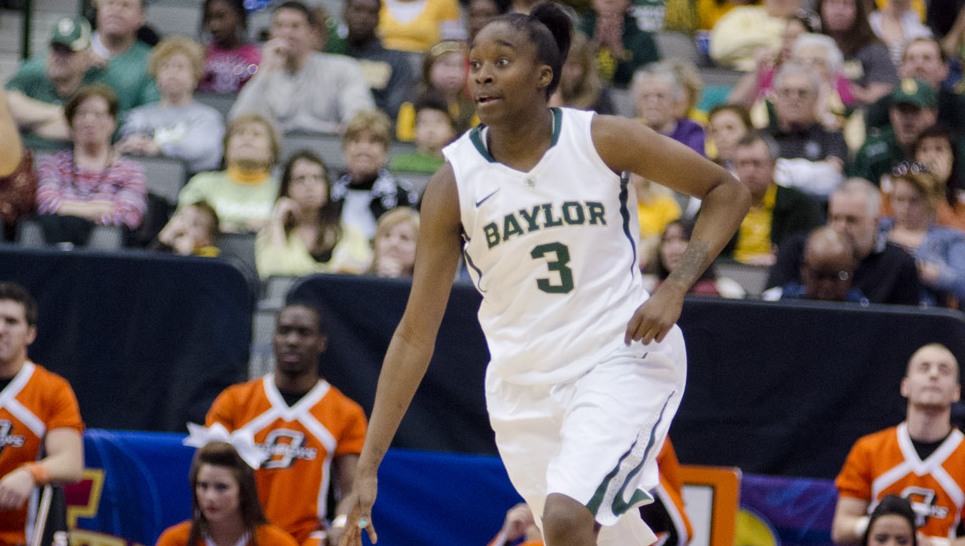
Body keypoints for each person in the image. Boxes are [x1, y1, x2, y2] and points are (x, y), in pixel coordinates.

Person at [337, 4, 750, 546]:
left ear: (544, 76)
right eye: (475, 62)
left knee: (564, 519)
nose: (482, 74)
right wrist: (368, 465)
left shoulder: (602, 138)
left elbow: (728, 191)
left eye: (501, 61)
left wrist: (674, 287)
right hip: (521, 391)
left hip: (618, 356)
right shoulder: (453, 184)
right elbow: (415, 333)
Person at [207, 303, 368, 546]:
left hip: (307, 539)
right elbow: (208, 476)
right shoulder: (234, 401)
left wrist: (341, 524)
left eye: (304, 333)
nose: (292, 340)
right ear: (273, 338)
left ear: (321, 342)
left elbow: (351, 490)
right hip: (242, 536)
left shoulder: (346, 412)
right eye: (284, 331)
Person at [832, 343, 965, 545]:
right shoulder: (868, 449)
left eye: (944, 370)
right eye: (924, 368)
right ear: (905, 386)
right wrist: (888, 531)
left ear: (956, 392)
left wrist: (932, 544)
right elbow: (841, 528)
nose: (934, 375)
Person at [0, 282, 84, 546]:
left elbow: (71, 463)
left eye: (11, 321)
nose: (1, 329)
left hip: (23, 537)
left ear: (30, 334)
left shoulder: (51, 390)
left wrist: (30, 473)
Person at [766, 178, 922, 304]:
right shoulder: (798, 249)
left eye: (851, 220)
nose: (841, 227)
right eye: (835, 218)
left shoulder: (900, 264)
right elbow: (771, 307)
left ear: (875, 222)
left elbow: (908, 326)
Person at [229, 1, 375, 134]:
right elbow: (237, 123)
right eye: (279, 26)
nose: (287, 33)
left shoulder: (344, 69)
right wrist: (264, 71)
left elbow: (360, 122)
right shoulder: (266, 75)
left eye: (295, 26)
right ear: (271, 33)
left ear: (311, 32)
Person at [35, 84, 147, 246]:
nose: (89, 121)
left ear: (112, 121)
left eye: (98, 114)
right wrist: (100, 208)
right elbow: (46, 205)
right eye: (82, 114)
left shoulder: (131, 171)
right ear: (71, 122)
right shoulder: (52, 165)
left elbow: (129, 216)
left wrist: (66, 208)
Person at [116, 36, 225, 174]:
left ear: (196, 76)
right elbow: (127, 144)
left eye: (180, 67)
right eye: (165, 66)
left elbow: (202, 149)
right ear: (156, 76)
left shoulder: (208, 117)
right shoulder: (139, 115)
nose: (172, 72)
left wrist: (160, 148)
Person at [155, 441, 298, 546]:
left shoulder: (277, 543)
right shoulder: (175, 541)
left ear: (243, 491)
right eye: (203, 486)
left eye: (221, 487)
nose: (210, 496)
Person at [256, 150, 372, 279]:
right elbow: (273, 278)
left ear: (327, 186)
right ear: (287, 188)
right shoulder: (270, 235)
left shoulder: (352, 234)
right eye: (300, 179)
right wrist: (277, 222)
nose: (309, 185)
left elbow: (360, 280)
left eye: (317, 178)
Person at [725, 131, 824, 265]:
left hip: (776, 275)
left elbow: (814, 250)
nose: (750, 171)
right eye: (743, 164)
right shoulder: (722, 204)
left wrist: (781, 259)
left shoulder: (800, 205)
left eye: (757, 163)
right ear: (735, 167)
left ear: (773, 166)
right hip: (728, 274)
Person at [177, 114, 280, 234]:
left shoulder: (283, 190)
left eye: (256, 134)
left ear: (272, 152)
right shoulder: (202, 184)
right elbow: (184, 226)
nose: (247, 138)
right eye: (239, 133)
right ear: (226, 148)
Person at [4, 16, 96, 147]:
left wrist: (27, 123)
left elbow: (82, 131)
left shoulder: (94, 85)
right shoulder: (33, 72)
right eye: (55, 49)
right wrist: (64, 114)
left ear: (86, 57)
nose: (59, 57)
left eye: (68, 51)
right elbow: (8, 105)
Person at [881, 168, 965, 307]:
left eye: (914, 201)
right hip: (877, 310)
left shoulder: (951, 239)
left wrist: (939, 276)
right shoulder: (877, 230)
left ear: (931, 202)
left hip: (926, 316)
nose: (906, 207)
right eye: (899, 199)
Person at [764, 61, 848, 198]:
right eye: (786, 92)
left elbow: (831, 178)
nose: (794, 98)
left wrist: (778, 171)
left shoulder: (831, 137)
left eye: (802, 93)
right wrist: (813, 172)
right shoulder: (761, 137)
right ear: (776, 97)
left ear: (815, 99)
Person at [331, 109, 419, 240]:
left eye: (373, 142)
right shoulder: (331, 194)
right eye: (355, 141)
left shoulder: (402, 195)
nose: (363, 148)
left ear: (385, 150)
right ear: (345, 148)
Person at [325, 0, 416, 121]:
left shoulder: (396, 60)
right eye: (358, 10)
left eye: (371, 12)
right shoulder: (331, 54)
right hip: (329, 129)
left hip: (376, 130)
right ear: (345, 13)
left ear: (379, 18)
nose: (363, 18)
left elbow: (396, 109)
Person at [864, 37, 965, 136]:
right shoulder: (883, 106)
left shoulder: (959, 106)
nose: (918, 65)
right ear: (900, 70)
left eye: (927, 58)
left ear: (944, 69)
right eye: (911, 59)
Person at [849, 78, 938, 186]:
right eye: (902, 110)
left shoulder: (946, 149)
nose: (908, 119)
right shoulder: (872, 151)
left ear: (932, 114)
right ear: (891, 113)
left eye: (915, 110)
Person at [816, 0, 897, 105]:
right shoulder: (809, 45)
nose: (839, 11)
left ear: (858, 11)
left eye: (846, 4)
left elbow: (885, 95)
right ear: (820, 8)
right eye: (833, 3)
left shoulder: (875, 49)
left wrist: (857, 94)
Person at [395, 40, 477, 142]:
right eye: (446, 65)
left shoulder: (472, 108)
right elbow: (404, 139)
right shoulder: (411, 105)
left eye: (460, 66)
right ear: (428, 68)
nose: (453, 73)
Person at [87, 0, 160, 114]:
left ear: (141, 17)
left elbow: (150, 113)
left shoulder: (151, 60)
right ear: (97, 9)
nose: (116, 10)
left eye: (126, 5)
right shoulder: (68, 48)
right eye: (110, 3)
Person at [645, 219, 746, 298]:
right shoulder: (644, 289)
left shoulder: (728, 291)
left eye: (684, 239)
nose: (674, 248)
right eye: (667, 240)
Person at [578, 0, 661, 88]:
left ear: (629, 2)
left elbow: (652, 82)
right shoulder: (578, 34)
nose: (609, 1)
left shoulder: (643, 39)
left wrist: (619, 55)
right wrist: (593, 48)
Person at [775, 225, 866, 302]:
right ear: (804, 271)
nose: (827, 286)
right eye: (818, 276)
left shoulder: (860, 307)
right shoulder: (789, 302)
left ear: (851, 271)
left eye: (837, 276)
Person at [632, 63, 705, 155]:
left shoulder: (692, 132)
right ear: (638, 103)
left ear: (675, 100)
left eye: (660, 96)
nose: (653, 102)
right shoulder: (630, 132)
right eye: (645, 96)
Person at [199, 0, 261, 94]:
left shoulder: (256, 57)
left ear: (239, 17)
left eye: (221, 17)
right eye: (209, 18)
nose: (214, 25)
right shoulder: (200, 54)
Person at [547, 30, 616, 115]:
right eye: (571, 65)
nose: (578, 72)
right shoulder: (541, 96)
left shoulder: (600, 98)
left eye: (583, 65)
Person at [388, 91, 457, 174]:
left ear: (452, 131)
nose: (430, 129)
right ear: (414, 130)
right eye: (423, 122)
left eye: (438, 122)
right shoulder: (399, 163)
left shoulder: (456, 167)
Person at [914, 125, 965, 231]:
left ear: (952, 159)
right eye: (924, 150)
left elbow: (956, 236)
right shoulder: (896, 193)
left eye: (939, 149)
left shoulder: (962, 201)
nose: (931, 157)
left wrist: (936, 187)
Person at [377, 0, 463, 53]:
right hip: (380, 61)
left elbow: (452, 45)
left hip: (426, 65)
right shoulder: (375, 2)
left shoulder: (444, 2)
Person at [151, 201, 221, 257]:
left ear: (207, 240)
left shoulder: (210, 258)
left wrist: (186, 255)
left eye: (195, 224)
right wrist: (163, 238)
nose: (184, 227)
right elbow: (146, 268)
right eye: (182, 219)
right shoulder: (167, 249)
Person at [367, 206, 420, 277]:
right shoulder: (357, 283)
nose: (393, 243)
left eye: (404, 238)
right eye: (387, 235)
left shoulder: (430, 286)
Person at [707, 103, 753, 170]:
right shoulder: (708, 171)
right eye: (714, 131)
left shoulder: (770, 169)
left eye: (730, 128)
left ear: (749, 131)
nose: (721, 137)